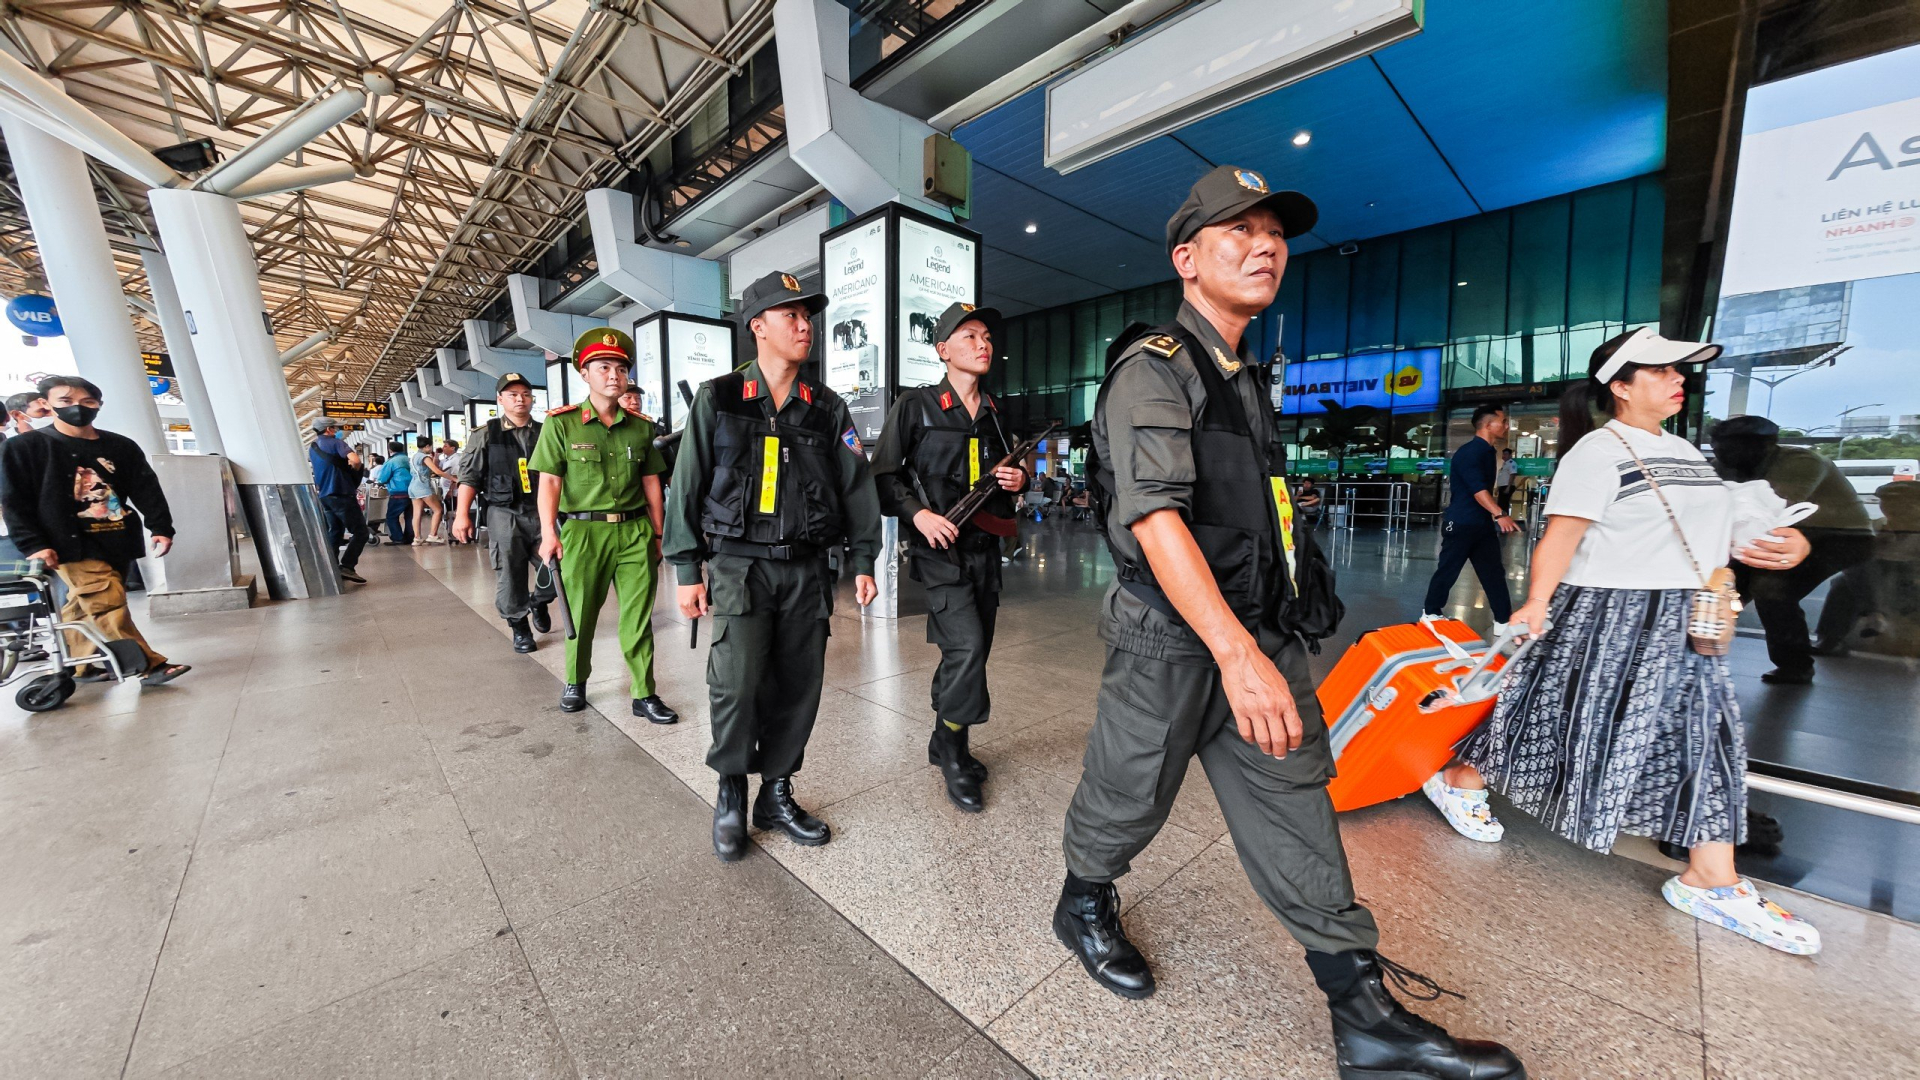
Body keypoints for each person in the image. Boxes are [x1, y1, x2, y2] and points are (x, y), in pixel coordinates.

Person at [1059, 165, 1522, 1080]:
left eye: (1275, 232)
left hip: (1260, 636)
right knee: (1129, 796)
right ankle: (1082, 901)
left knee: (1299, 808)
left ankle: (1367, 1020)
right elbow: (1156, 521)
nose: (1265, 245)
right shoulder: (1154, 371)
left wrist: (1280, 617)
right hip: (1177, 643)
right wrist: (1234, 655)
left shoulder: (1246, 379)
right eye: (1239, 231)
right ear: (1186, 259)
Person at [1431, 328, 1822, 957]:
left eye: (1680, 372)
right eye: (1664, 371)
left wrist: (1787, 542)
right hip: (1606, 611)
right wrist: (1535, 603)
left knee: (1710, 734)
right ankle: (1460, 777)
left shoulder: (1687, 452)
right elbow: (1560, 537)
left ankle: (1711, 879)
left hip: (1684, 616)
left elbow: (1727, 524)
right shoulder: (1597, 452)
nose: (1679, 381)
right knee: (1549, 712)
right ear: (1620, 386)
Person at [665, 270, 882, 863]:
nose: (804, 325)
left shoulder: (826, 408)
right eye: (791, 315)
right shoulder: (720, 398)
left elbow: (857, 488)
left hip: (807, 571)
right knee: (735, 684)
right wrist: (687, 569)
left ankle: (777, 793)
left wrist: (864, 559)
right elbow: (687, 487)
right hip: (739, 568)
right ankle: (731, 791)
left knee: (798, 687)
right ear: (757, 326)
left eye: (807, 316)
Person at [872, 301, 1028, 812]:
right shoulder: (915, 407)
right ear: (942, 350)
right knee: (966, 649)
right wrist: (918, 515)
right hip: (940, 554)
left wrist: (1018, 480)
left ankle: (943, 735)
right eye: (969, 336)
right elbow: (884, 477)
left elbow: (1016, 479)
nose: (983, 344)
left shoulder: (998, 414)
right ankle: (955, 749)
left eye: (987, 336)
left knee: (972, 651)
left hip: (986, 551)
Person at [0, 375, 190, 685]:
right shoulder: (25, 447)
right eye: (66, 401)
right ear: (46, 404)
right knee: (105, 598)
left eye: (87, 402)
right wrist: (32, 544)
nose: (78, 408)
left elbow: (145, 487)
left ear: (98, 405)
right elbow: (14, 500)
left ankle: (81, 665)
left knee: (82, 601)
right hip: (65, 542)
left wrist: (160, 526)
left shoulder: (120, 445)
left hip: (115, 535)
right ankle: (149, 665)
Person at [528, 328, 677, 724]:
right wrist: (548, 532)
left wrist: (659, 533)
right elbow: (550, 481)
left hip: (634, 532)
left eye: (621, 368)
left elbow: (652, 484)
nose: (614, 374)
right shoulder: (561, 424)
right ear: (585, 373)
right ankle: (576, 681)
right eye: (604, 367)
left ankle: (643, 692)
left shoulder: (641, 427)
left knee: (638, 616)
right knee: (580, 612)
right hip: (583, 532)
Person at [1709, 414, 1874, 683]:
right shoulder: (1725, 463)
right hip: (1771, 535)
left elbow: (1772, 506)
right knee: (1721, 586)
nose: (1722, 454)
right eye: (1719, 447)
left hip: (1840, 536)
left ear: (1766, 445)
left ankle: (1795, 664)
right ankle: (1701, 650)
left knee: (1771, 588)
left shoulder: (1801, 462)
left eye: (1730, 447)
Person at [453, 373, 558, 654]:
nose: (520, 399)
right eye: (512, 395)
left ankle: (539, 600)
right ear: (501, 399)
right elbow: (469, 477)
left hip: (542, 511)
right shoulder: (485, 434)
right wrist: (462, 514)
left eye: (525, 393)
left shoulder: (547, 430)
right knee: (510, 572)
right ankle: (519, 625)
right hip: (504, 512)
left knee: (561, 566)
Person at [1421, 404, 1517, 626]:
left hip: (1481, 524)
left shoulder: (1487, 452)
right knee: (1449, 568)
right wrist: (1500, 513)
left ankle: (1504, 620)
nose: (1506, 425)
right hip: (1462, 522)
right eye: (1502, 421)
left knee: (1493, 572)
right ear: (1487, 424)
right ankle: (1431, 611)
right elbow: (1478, 490)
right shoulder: (1470, 452)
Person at [309, 418, 368, 584]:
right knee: (361, 532)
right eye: (335, 427)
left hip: (325, 496)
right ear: (329, 429)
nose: (337, 430)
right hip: (341, 493)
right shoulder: (336, 443)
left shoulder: (313, 447)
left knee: (334, 532)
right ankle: (347, 566)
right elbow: (355, 460)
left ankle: (331, 566)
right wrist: (354, 469)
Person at [409, 435, 449, 544]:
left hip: (413, 486)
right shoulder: (424, 457)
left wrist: (435, 457)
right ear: (427, 446)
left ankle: (417, 538)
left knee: (417, 513)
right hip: (422, 486)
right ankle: (433, 535)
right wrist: (453, 478)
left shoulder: (414, 456)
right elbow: (437, 471)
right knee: (438, 510)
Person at [374, 442, 414, 545]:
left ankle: (398, 538)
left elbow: (383, 478)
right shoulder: (408, 459)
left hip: (398, 492)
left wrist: (379, 483)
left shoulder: (391, 461)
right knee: (409, 517)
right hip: (412, 491)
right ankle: (409, 537)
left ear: (390, 450)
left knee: (391, 516)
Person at [1495, 447, 1517, 515]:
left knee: (1504, 504)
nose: (1504, 456)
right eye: (1503, 454)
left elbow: (1512, 475)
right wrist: (1497, 488)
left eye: (1506, 454)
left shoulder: (1511, 463)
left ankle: (1505, 518)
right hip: (1502, 486)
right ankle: (1502, 517)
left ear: (1510, 455)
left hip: (1507, 486)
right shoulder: (1505, 464)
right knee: (1500, 503)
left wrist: (1508, 487)